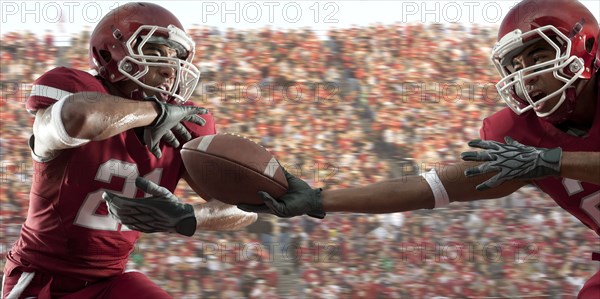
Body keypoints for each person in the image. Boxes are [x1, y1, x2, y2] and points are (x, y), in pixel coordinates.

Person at [104, 0, 599, 297]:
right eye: (515, 64)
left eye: (540, 55)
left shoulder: (536, 150)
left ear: (587, 48)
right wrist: (318, 199)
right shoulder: (518, 133)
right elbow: (433, 188)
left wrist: (553, 162)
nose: (526, 76)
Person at [1, 3, 256, 299]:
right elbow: (79, 118)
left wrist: (187, 216)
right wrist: (154, 112)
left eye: (175, 58)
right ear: (111, 55)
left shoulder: (184, 126)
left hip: (111, 279)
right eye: (156, 53)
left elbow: (243, 207)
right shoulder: (77, 93)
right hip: (43, 280)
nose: (169, 69)